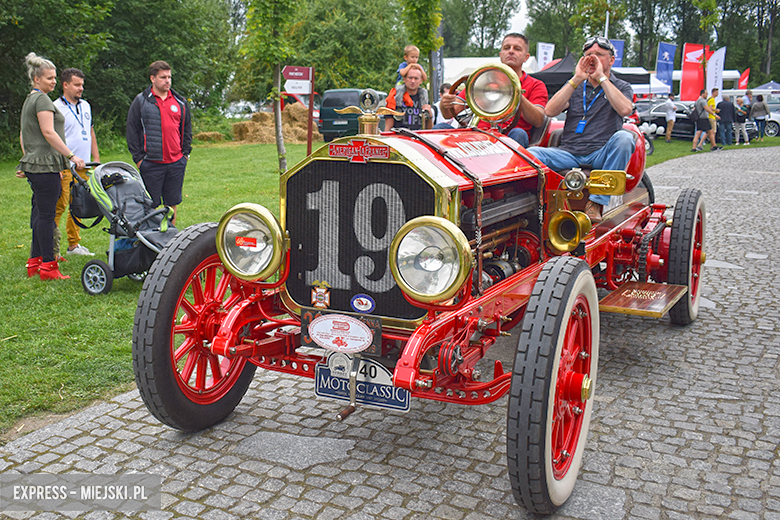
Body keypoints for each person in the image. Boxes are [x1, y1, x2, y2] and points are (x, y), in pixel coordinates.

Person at [526, 36, 634, 224]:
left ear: (611, 60)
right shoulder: (576, 86)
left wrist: (601, 78)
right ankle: (536, 204)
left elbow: (625, 109)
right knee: (530, 153)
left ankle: (597, 202)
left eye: (600, 55)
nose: (593, 59)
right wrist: (576, 78)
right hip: (570, 152)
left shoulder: (620, 86)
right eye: (589, 55)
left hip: (601, 152)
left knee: (624, 138)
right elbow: (550, 111)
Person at [17, 53, 86, 280]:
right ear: (36, 79)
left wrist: (27, 159)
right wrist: (71, 155)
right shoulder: (43, 100)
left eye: (55, 78)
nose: (54, 82)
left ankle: (34, 261)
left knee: (39, 213)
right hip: (46, 167)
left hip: (36, 165)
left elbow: (23, 135)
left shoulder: (30, 99)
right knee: (46, 216)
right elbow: (48, 132)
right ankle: (49, 266)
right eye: (49, 78)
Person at [439, 33, 547, 148]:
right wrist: (444, 104)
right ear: (501, 55)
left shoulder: (536, 85)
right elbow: (449, 113)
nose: (511, 51)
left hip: (510, 137)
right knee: (439, 128)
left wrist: (516, 92)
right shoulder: (483, 78)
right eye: (506, 48)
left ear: (526, 57)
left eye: (517, 49)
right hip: (476, 135)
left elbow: (538, 120)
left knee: (519, 133)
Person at [126, 60, 192, 225]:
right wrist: (139, 159)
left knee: (172, 202)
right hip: (151, 163)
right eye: (163, 77)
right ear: (152, 79)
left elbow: (187, 129)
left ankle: (171, 239)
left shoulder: (180, 102)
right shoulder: (141, 101)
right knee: (151, 204)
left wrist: (185, 155)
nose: (167, 80)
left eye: (169, 77)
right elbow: (132, 130)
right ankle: (152, 240)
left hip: (176, 162)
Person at [52, 68, 100, 257]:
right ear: (65, 85)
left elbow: (90, 131)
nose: (81, 88)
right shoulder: (55, 107)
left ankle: (73, 245)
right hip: (64, 165)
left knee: (78, 204)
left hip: (83, 165)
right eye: (77, 84)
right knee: (59, 206)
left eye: (82, 84)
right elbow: (51, 136)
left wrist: (95, 158)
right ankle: (50, 247)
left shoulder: (86, 105)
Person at [385, 64, 433, 131]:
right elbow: (388, 128)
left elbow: (429, 130)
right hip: (399, 138)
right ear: (404, 79)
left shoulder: (424, 98)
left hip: (419, 137)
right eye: (410, 78)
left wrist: (430, 116)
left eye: (416, 78)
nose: (413, 81)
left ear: (421, 80)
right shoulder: (394, 97)